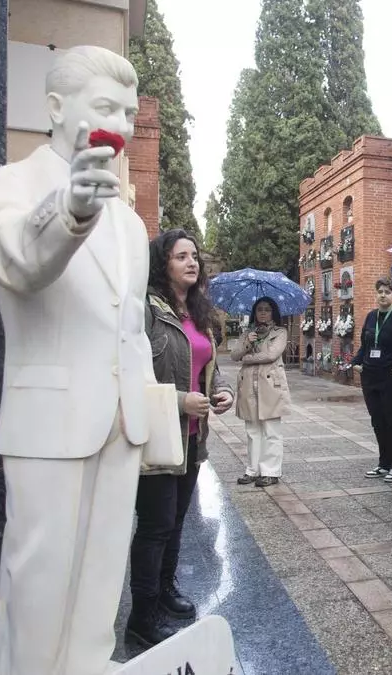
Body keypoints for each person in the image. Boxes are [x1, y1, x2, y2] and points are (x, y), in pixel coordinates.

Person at [0, 46, 167, 675]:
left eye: (130, 112)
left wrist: (146, 405)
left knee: (101, 587)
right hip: (50, 424)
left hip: (119, 426)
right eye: (106, 107)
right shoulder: (9, 186)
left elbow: (128, 328)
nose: (124, 124)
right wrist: (71, 209)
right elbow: (18, 262)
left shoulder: (132, 226)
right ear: (55, 108)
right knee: (37, 586)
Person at [128, 229, 235, 646]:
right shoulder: (146, 310)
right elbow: (130, 375)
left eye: (194, 256)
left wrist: (219, 389)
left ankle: (166, 590)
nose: (191, 262)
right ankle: (141, 615)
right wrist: (179, 401)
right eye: (180, 257)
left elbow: (207, 361)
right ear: (162, 264)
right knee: (154, 526)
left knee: (174, 523)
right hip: (159, 434)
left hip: (193, 438)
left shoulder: (197, 311)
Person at [352, 278, 392, 483]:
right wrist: (356, 361)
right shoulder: (371, 317)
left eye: (387, 292)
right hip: (370, 375)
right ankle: (384, 463)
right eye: (380, 291)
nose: (383, 295)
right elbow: (365, 344)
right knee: (378, 421)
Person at [233, 297, 291, 488]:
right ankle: (252, 470)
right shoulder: (248, 333)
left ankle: (271, 472)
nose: (263, 313)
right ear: (254, 313)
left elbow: (271, 355)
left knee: (271, 430)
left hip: (270, 386)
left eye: (267, 309)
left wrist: (247, 358)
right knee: (252, 431)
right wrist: (247, 343)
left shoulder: (280, 332)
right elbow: (235, 355)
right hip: (249, 385)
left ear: (273, 312)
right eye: (259, 309)